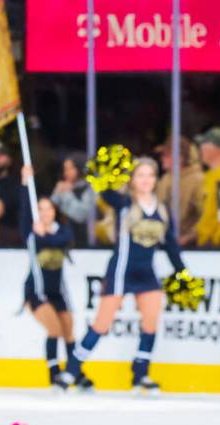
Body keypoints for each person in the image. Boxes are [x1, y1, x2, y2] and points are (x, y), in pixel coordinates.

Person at [61, 158, 192, 394]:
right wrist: (104, 170)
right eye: (140, 175)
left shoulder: (161, 209)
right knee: (102, 324)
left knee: (151, 323)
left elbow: (171, 245)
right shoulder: (123, 203)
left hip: (146, 273)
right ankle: (71, 370)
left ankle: (140, 374)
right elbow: (103, 189)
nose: (145, 180)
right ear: (132, 180)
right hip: (121, 271)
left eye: (150, 175)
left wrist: (182, 272)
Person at [20, 164, 77, 390]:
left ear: (54, 211)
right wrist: (25, 184)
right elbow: (24, 211)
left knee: (69, 332)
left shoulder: (62, 231)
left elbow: (64, 240)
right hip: (37, 292)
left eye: (49, 209)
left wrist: (47, 235)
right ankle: (54, 374)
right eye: (41, 209)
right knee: (54, 330)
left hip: (58, 292)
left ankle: (76, 373)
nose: (45, 213)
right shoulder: (31, 233)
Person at [155, 137, 205, 247]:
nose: (162, 159)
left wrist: (188, 238)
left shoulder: (198, 180)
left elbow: (204, 216)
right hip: (164, 243)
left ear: (179, 157)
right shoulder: (165, 179)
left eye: (166, 155)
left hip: (190, 248)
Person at [195, 128, 220, 248]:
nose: (200, 149)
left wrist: (218, 238)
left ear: (217, 149)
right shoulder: (209, 175)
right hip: (204, 241)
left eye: (204, 145)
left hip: (215, 245)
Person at [50, 153, 95, 245]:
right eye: (65, 169)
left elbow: (81, 216)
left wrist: (66, 193)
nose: (66, 172)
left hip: (84, 242)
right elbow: (49, 211)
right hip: (62, 239)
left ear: (79, 168)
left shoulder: (90, 189)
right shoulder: (62, 187)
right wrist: (57, 193)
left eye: (70, 168)